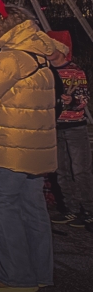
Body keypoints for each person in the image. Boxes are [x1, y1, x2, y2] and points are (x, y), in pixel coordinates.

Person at [0, 0, 65, 292]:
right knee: (33, 208)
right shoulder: (39, 54)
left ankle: (16, 275)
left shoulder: (9, 58)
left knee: (0, 204)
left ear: (4, 28)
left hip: (10, 147)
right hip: (35, 147)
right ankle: (41, 272)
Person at [46, 30, 92, 228]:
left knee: (81, 170)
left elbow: (83, 99)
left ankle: (89, 210)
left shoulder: (75, 71)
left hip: (74, 127)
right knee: (62, 169)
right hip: (54, 127)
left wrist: (72, 101)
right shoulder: (45, 72)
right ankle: (71, 209)